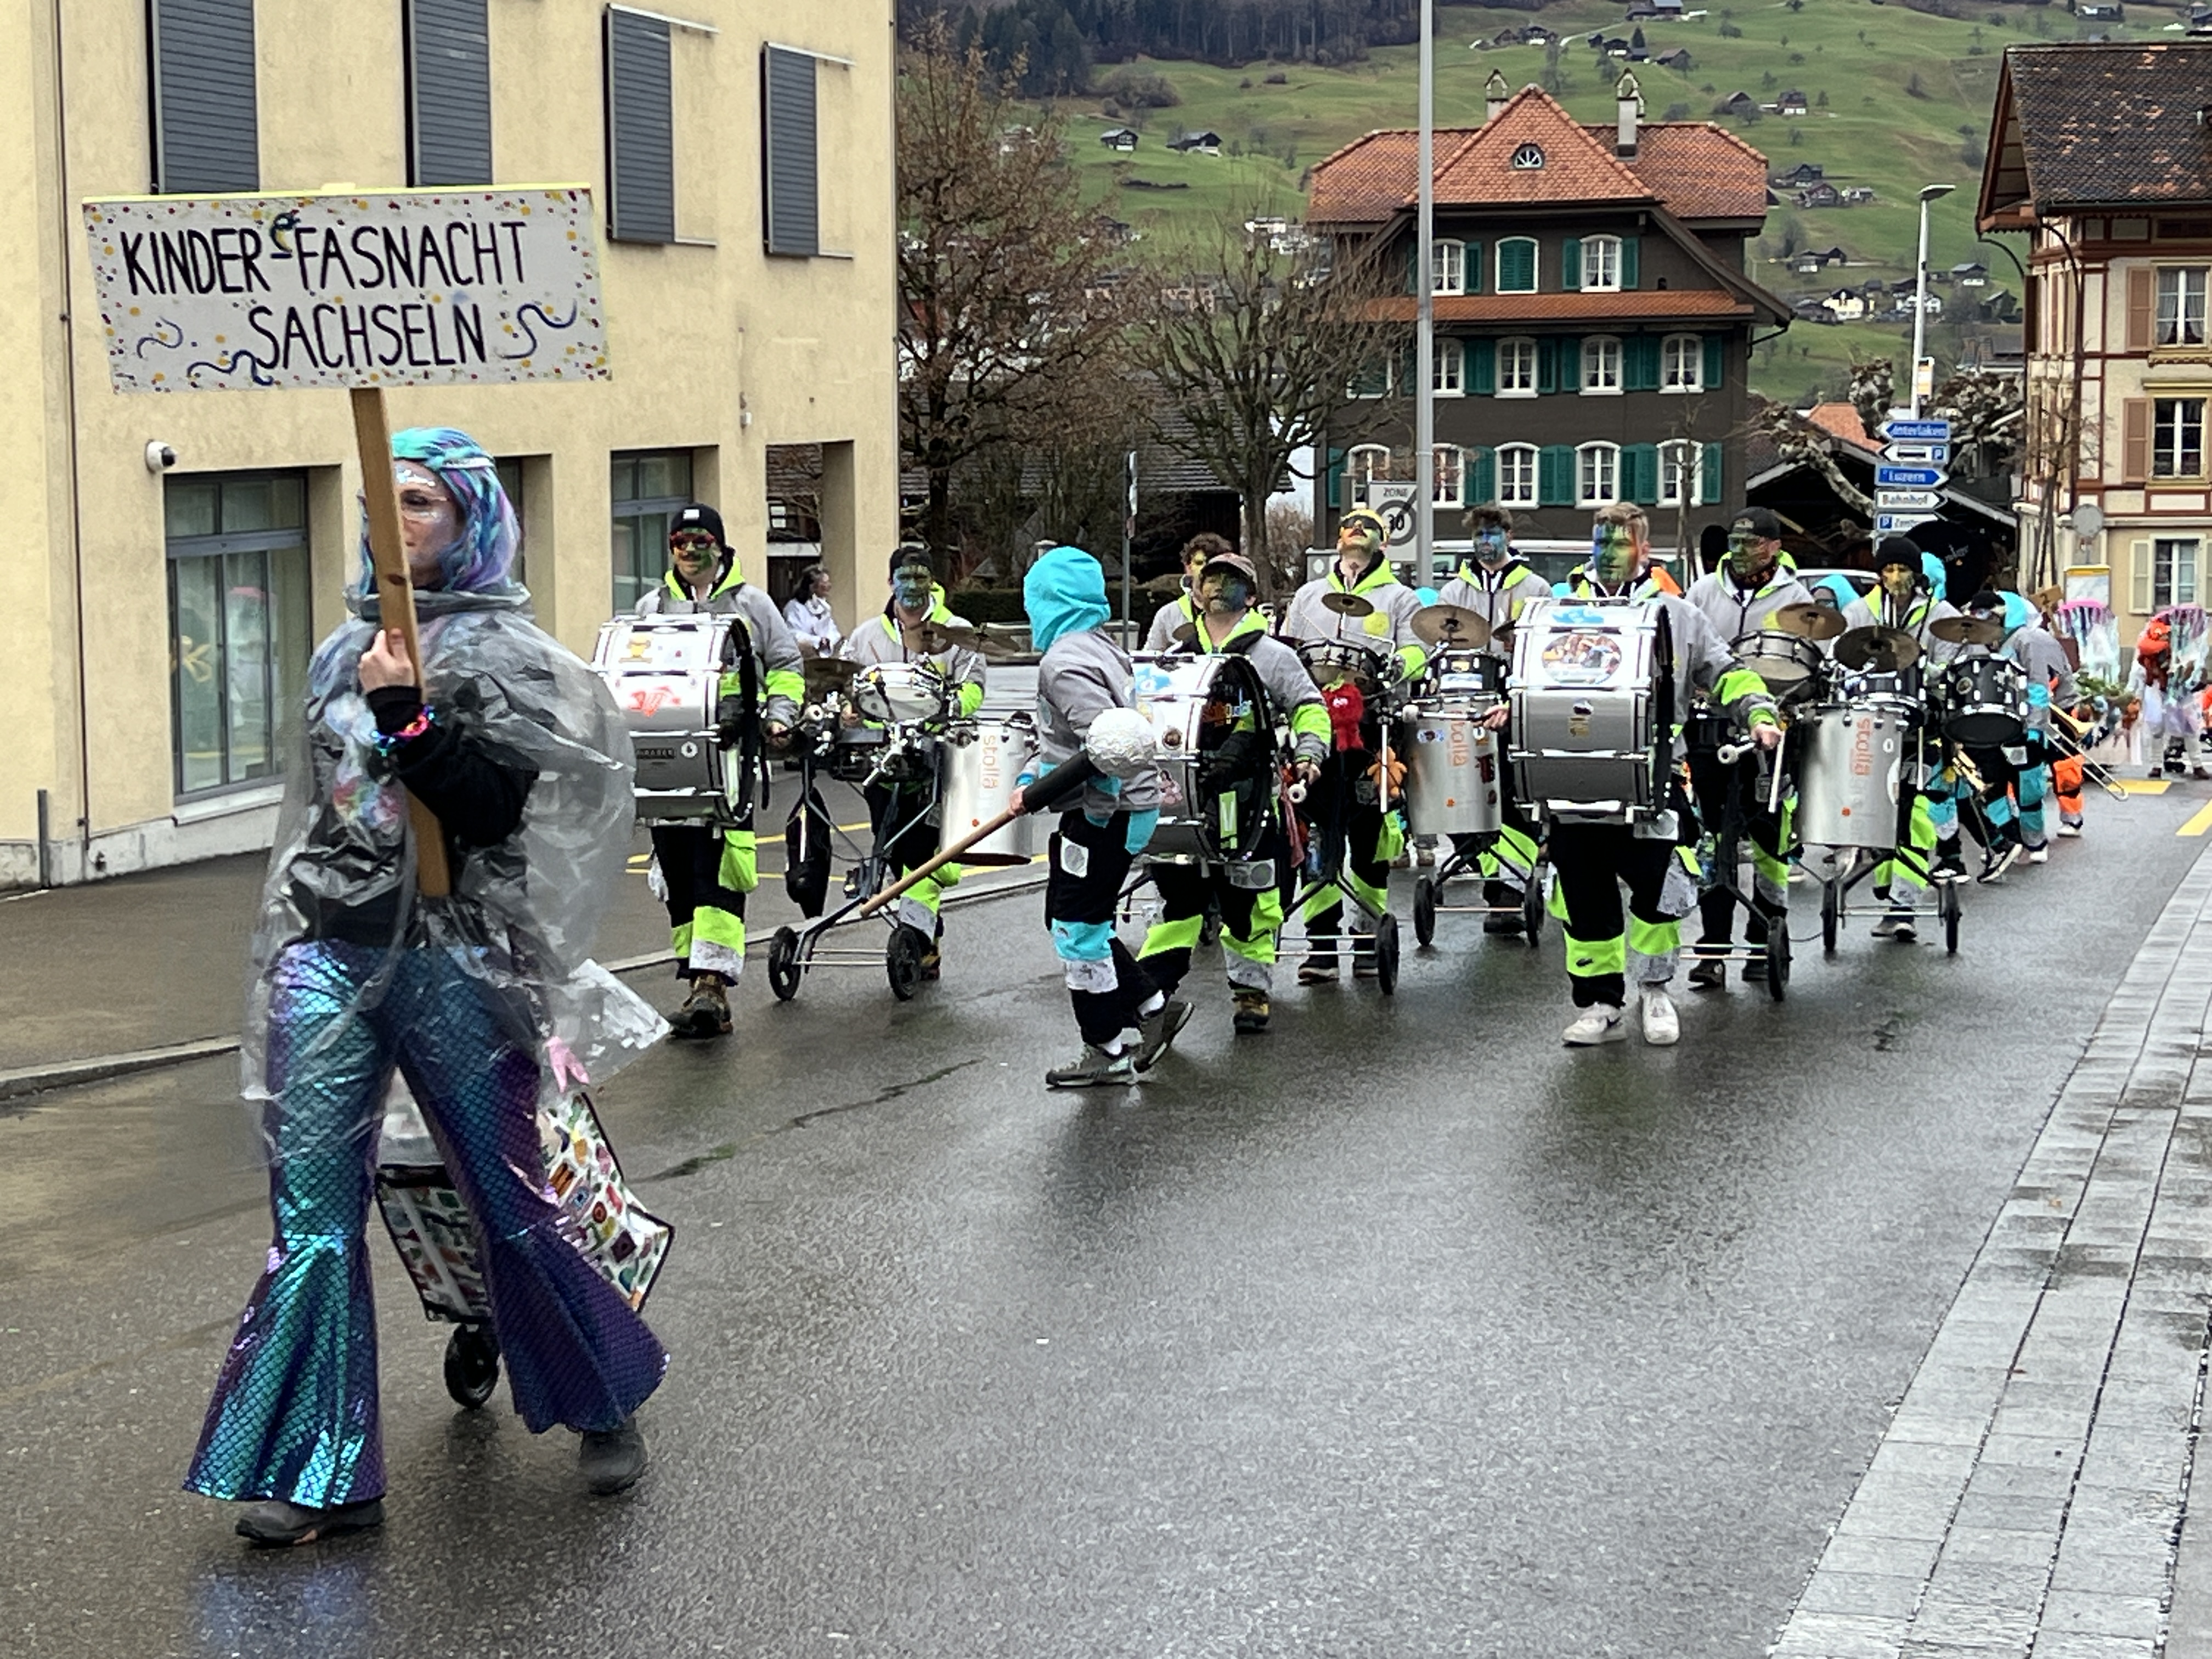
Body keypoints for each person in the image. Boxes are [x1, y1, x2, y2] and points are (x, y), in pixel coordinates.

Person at [187, 428, 668, 1545]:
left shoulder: (513, 660)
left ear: (470, 518)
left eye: (418, 501)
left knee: (508, 1198)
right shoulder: (338, 652)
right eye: (379, 501)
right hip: (330, 951)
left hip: (459, 954)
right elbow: (323, 813)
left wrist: (410, 717)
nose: (391, 521)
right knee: (312, 1222)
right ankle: (320, 1470)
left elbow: (493, 813)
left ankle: (602, 1394)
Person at [1547, 504, 1780, 1047]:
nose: (1607, 554)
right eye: (1600, 543)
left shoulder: (1678, 615)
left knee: (1658, 885)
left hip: (1653, 772)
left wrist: (1758, 712)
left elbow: (1727, 671)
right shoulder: (1563, 610)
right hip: (1575, 770)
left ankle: (1655, 991)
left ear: (1644, 550)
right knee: (1582, 888)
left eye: (1619, 543)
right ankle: (1601, 1003)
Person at [1010, 544, 1188, 1087]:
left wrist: (1068, 808)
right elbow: (1071, 742)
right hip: (1119, 807)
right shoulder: (1100, 648)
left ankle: (1106, 1048)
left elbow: (1107, 748)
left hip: (1107, 811)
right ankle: (1153, 1007)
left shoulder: (1064, 663)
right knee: (1070, 917)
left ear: (1049, 600)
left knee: (1078, 930)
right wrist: (1033, 779)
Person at [1136, 549, 1329, 1034]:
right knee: (1177, 901)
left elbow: (1309, 706)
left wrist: (1310, 753)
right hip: (1186, 799)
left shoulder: (1275, 656)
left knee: (1250, 903)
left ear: (1252, 595)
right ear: (1197, 592)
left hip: (1248, 801)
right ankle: (1152, 993)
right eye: (1211, 579)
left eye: (1231, 580)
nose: (1219, 587)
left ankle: (1250, 993)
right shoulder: (1176, 657)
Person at [637, 504, 805, 1036]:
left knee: (718, 868)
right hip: (669, 759)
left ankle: (713, 984)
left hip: (730, 759)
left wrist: (779, 716)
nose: (690, 551)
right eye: (680, 542)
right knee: (677, 871)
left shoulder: (752, 605)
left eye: (700, 540)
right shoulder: (652, 606)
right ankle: (696, 981)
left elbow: (786, 665)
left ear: (721, 546)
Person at [1278, 506, 1427, 982]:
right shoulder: (1308, 595)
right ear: (1339, 540)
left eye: (1369, 528)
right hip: (1315, 731)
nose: (1357, 532)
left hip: (1372, 730)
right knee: (1317, 836)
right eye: (1350, 527)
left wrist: (1396, 668)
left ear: (1383, 542)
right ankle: (1321, 945)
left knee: (1368, 839)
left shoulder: (1400, 598)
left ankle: (1366, 939)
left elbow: (1417, 651)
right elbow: (1287, 651)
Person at [842, 545, 986, 977]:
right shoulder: (866, 636)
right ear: (891, 582)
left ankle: (918, 942)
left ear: (932, 582)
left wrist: (948, 706)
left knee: (922, 852)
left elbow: (975, 689)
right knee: (889, 847)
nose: (913, 585)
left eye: (921, 576)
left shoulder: (958, 633)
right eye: (905, 577)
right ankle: (923, 933)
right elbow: (849, 685)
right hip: (882, 761)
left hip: (935, 760)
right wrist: (850, 709)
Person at [1680, 507, 1811, 988]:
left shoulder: (1797, 600)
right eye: (1734, 542)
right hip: (1711, 726)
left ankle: (1764, 938)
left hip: (1771, 730)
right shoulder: (1701, 593)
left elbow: (1811, 667)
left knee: (1768, 838)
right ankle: (1713, 948)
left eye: (1750, 543)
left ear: (1773, 548)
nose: (1739, 551)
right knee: (1714, 838)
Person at [1435, 502, 1550, 933]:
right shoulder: (1454, 592)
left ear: (1509, 536)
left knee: (1513, 794)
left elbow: (1548, 649)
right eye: (1479, 535)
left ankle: (1511, 892)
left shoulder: (1535, 587)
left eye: (1493, 534)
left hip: (1515, 700)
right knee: (1460, 792)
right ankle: (1489, 870)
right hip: (1464, 702)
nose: (1485, 542)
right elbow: (1437, 648)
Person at [1838, 537, 1960, 931]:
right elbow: (1840, 662)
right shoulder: (1859, 611)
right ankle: (1887, 884)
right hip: (1870, 724)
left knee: (1916, 810)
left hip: (1921, 728)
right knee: (1877, 807)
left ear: (1916, 574)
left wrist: (1926, 671)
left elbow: (1951, 665)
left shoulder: (1940, 614)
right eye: (1888, 570)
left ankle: (1903, 904)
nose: (1894, 577)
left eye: (1902, 569)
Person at [2129, 617, 2211, 780]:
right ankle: (2156, 765)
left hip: (2180, 690)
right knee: (2156, 727)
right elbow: (2138, 673)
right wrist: (2134, 696)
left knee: (2190, 726)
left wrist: (2185, 672)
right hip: (2156, 689)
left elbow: (2193, 667)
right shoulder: (2147, 653)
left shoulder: (2184, 645)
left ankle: (2197, 765)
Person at [1144, 533, 1234, 652]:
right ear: (1188, 567)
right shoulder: (1168, 615)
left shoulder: (1240, 612)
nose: (1205, 570)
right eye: (1199, 563)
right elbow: (1149, 659)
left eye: (1213, 565)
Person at [782, 565, 840, 653]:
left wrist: (829, 640)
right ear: (813, 586)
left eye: (829, 582)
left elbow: (833, 631)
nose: (829, 586)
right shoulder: (795, 607)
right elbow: (793, 633)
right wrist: (817, 641)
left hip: (824, 656)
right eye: (825, 583)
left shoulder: (824, 607)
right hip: (802, 655)